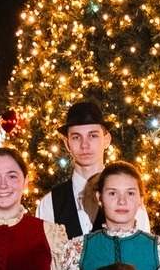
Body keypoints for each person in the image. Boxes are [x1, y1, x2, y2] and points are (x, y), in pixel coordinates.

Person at [35, 99, 150, 237]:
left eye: (93, 136)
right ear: (67, 144)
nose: (84, 145)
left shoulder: (129, 199)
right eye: (76, 137)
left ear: (106, 140)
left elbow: (141, 246)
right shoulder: (51, 203)